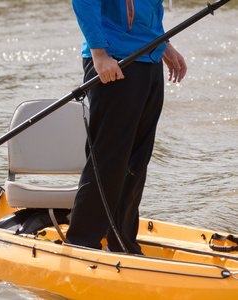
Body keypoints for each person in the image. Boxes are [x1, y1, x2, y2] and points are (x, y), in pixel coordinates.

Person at [66, 0, 187, 254]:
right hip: (115, 61)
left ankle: (122, 244)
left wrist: (165, 45)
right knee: (109, 159)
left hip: (149, 58)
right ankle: (81, 243)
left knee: (137, 160)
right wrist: (99, 54)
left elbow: (148, 9)